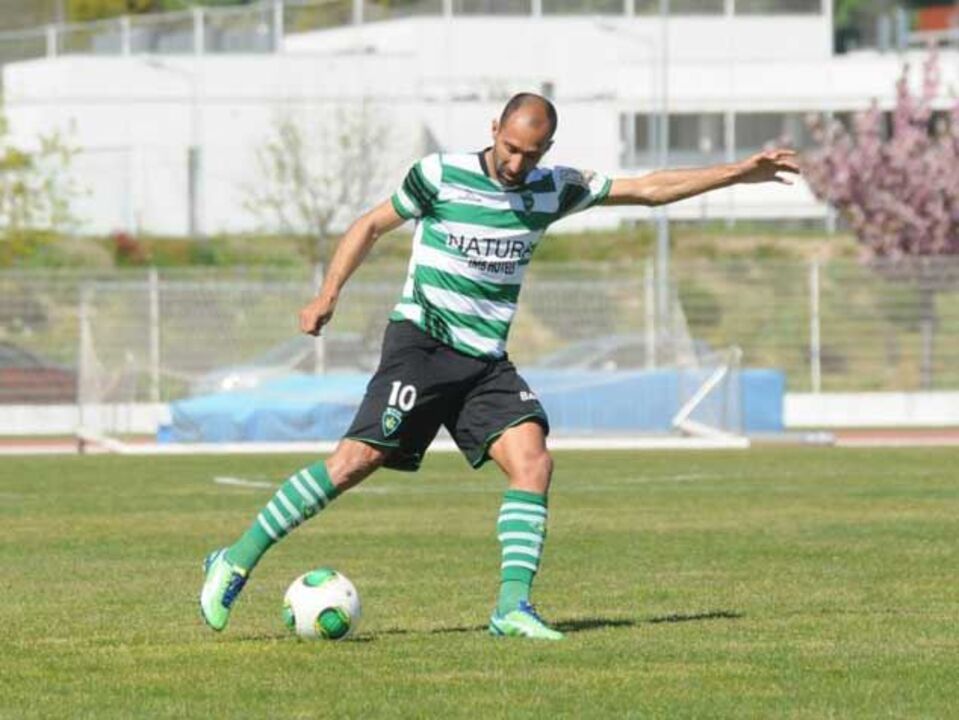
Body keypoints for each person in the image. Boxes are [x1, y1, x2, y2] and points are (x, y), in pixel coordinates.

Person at [200, 92, 799, 640]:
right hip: (423, 343)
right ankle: (236, 558)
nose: (516, 162)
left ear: (546, 151)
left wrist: (738, 173)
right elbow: (370, 225)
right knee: (357, 461)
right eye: (510, 147)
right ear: (494, 129)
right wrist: (328, 292)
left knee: (533, 460)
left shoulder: (553, 188)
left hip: (484, 362)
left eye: (530, 153)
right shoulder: (438, 175)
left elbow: (647, 188)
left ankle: (511, 607)